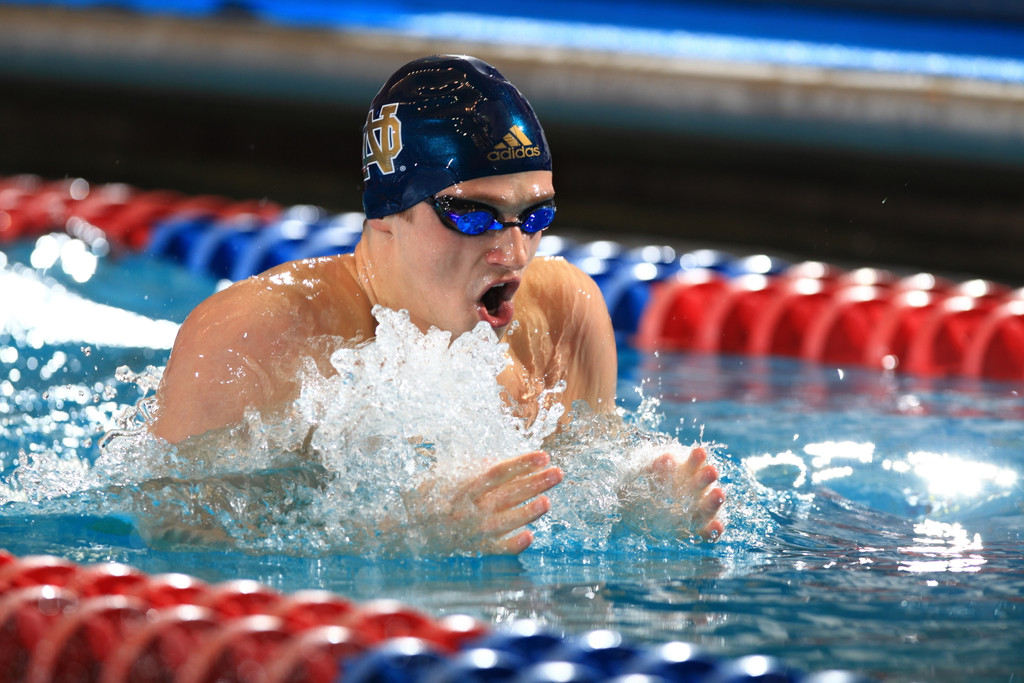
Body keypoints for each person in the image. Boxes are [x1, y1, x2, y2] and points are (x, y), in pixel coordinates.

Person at [150, 54, 725, 553]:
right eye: (472, 215)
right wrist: (400, 537)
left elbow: (576, 491)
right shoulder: (258, 334)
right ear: (388, 213)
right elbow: (173, 539)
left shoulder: (563, 315)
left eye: (537, 216)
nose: (513, 252)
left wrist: (636, 503)